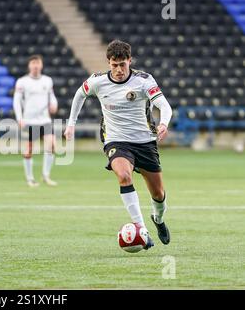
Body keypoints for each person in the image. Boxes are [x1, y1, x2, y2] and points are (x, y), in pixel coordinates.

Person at [64, 40, 172, 249]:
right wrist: (71, 124)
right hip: (116, 140)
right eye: (115, 65)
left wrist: (164, 123)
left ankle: (157, 219)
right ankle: (142, 229)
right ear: (109, 63)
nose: (119, 70)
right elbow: (79, 95)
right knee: (123, 176)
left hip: (145, 142)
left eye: (123, 64)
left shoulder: (144, 81)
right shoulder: (98, 81)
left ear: (130, 61)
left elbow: (164, 105)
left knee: (158, 194)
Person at [13, 55, 58, 187]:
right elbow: (16, 101)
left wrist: (54, 104)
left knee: (52, 146)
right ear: (29, 66)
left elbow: (52, 96)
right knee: (28, 150)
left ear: (41, 65)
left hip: (45, 119)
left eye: (38, 63)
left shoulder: (48, 80)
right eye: (33, 63)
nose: (36, 65)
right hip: (29, 120)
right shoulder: (22, 82)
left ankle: (46, 175)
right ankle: (30, 178)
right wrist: (19, 118)